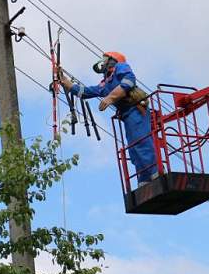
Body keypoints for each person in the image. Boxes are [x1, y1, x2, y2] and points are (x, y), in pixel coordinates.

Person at [59, 52, 157, 185]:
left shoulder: (121, 68)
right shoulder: (105, 83)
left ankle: (154, 172)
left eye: (105, 60)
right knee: (133, 148)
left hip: (136, 110)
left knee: (141, 141)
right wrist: (66, 82)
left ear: (112, 61)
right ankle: (144, 177)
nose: (102, 63)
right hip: (127, 115)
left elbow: (128, 82)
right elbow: (86, 92)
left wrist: (110, 97)